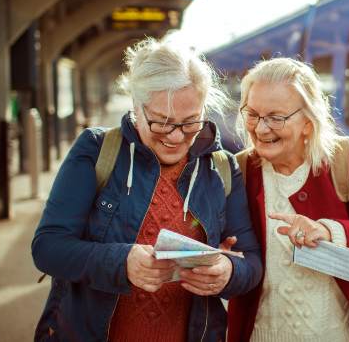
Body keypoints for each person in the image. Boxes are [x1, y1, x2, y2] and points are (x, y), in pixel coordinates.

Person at [32, 37, 262, 341]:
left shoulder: (221, 168)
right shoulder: (97, 151)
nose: (176, 136)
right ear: (136, 107)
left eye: (190, 122)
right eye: (161, 122)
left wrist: (229, 271)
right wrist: (122, 262)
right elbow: (48, 247)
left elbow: (252, 261)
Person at [226, 58, 349, 342]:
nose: (260, 129)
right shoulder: (239, 172)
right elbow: (230, 258)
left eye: (276, 117)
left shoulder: (348, 160)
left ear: (308, 122)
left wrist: (328, 231)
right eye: (253, 114)